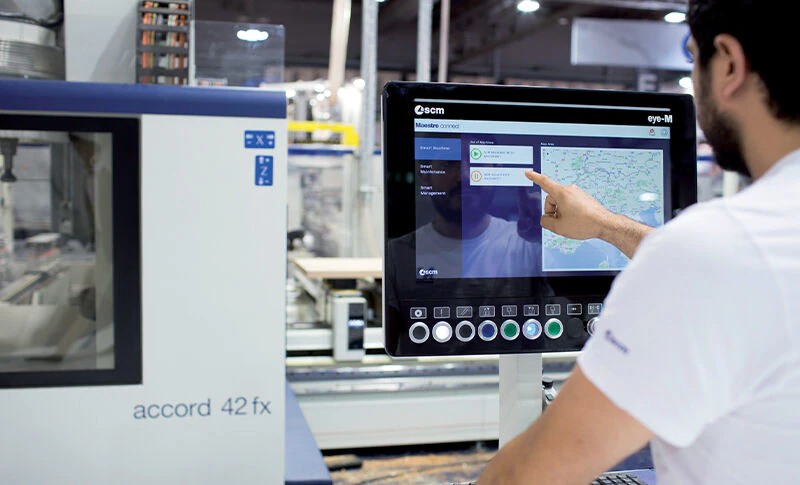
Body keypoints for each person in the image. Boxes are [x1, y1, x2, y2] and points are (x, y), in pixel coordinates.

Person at [478, 0, 800, 483]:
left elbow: (532, 473)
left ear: (730, 64)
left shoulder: (714, 250)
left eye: (694, 60)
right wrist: (605, 226)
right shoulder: (738, 249)